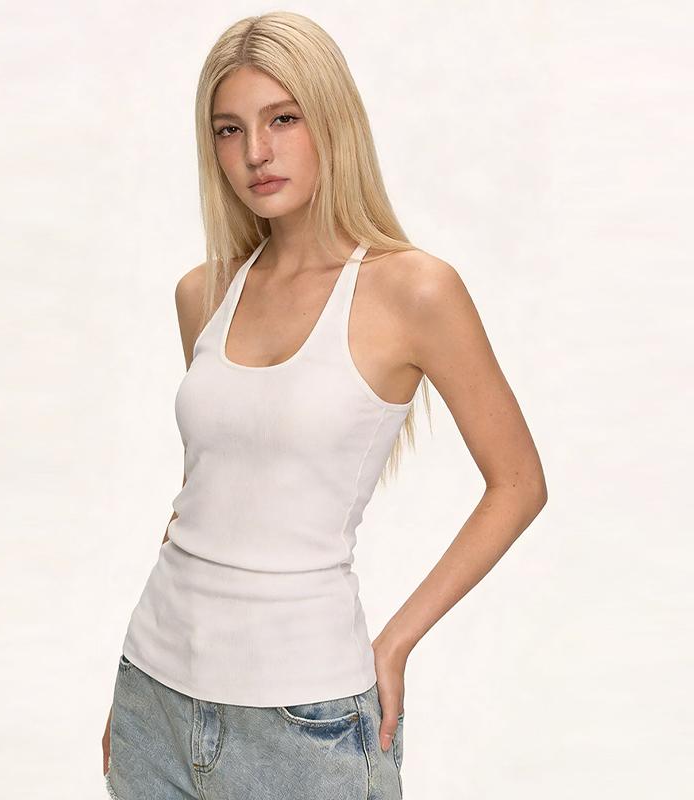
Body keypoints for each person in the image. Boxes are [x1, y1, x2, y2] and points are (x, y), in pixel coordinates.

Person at [102, 11, 547, 800]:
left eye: (283, 119)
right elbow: (210, 490)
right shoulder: (204, 293)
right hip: (153, 695)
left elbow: (518, 485)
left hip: (304, 722)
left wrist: (396, 642)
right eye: (229, 129)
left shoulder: (414, 290)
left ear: (332, 120)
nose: (256, 152)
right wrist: (136, 700)